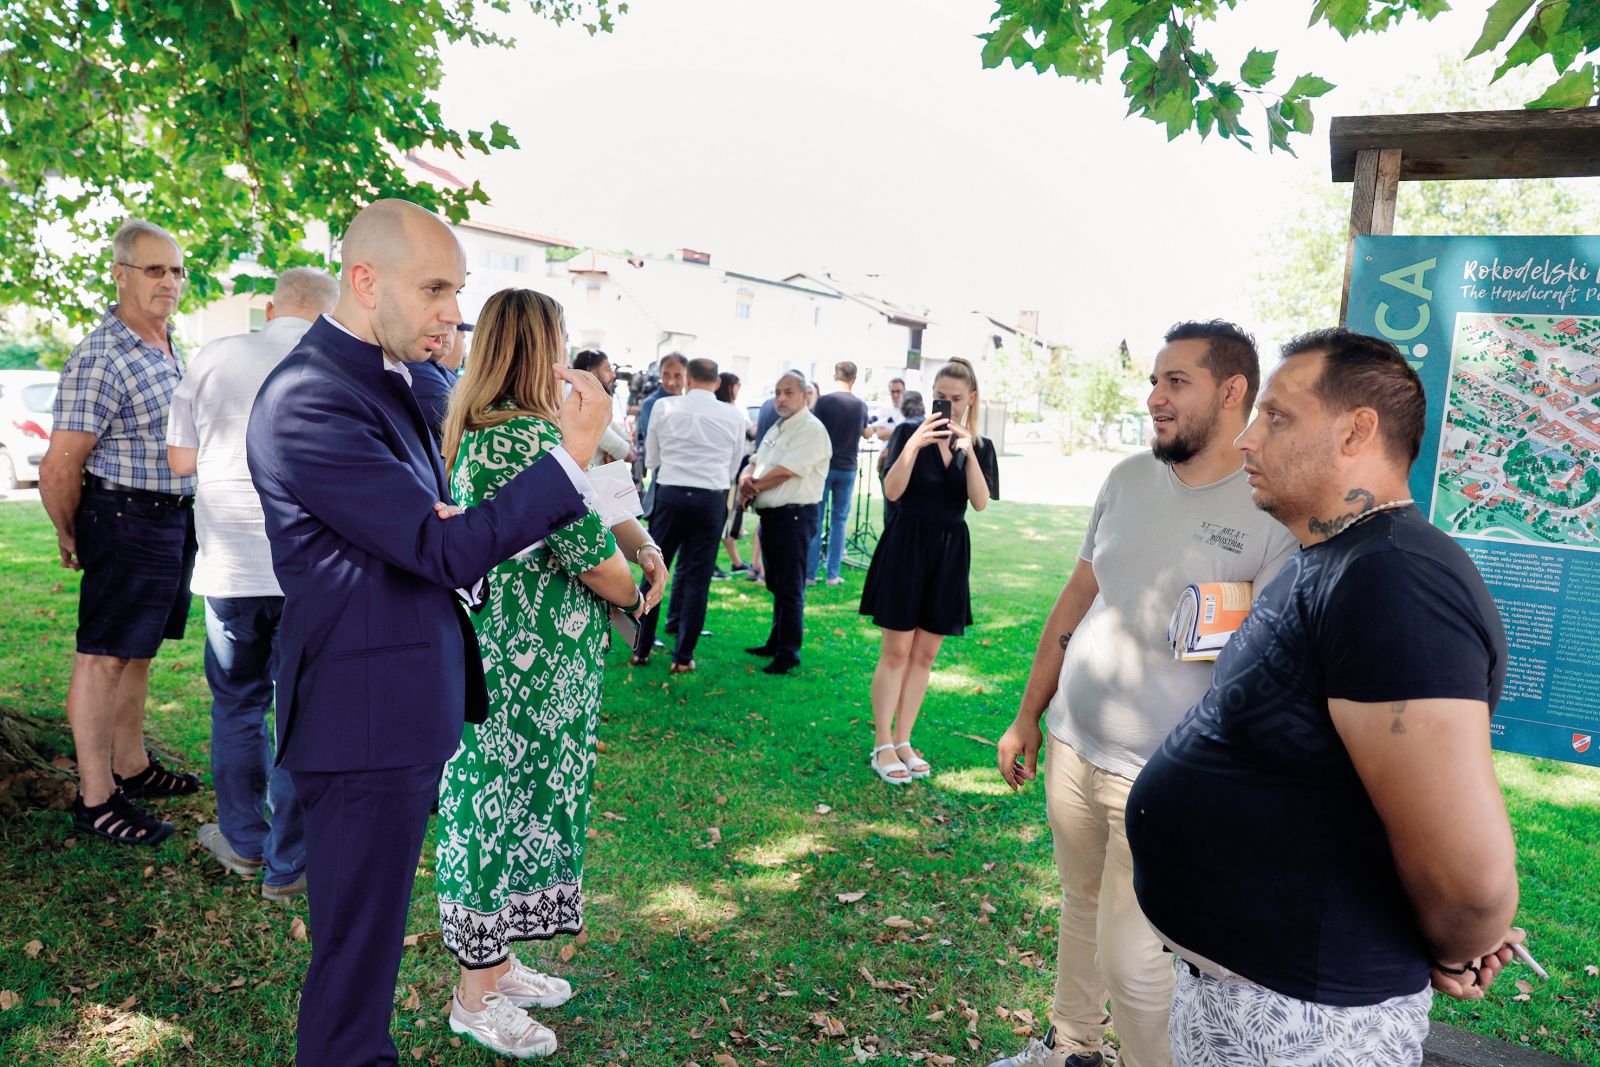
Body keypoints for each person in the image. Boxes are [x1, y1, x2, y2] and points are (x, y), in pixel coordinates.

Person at [245, 198, 615, 1067]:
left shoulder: (387, 375)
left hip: (395, 709)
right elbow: (439, 544)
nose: (455, 310)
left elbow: (426, 524)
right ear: (365, 281)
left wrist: (446, 529)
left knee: (363, 952)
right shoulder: (311, 396)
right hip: (359, 716)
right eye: (436, 288)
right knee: (354, 961)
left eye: (459, 288)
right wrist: (569, 459)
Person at [1127, 328, 1520, 1066]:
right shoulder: (1339, 556)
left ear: (1357, 429)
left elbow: (1471, 881)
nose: (1247, 440)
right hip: (1251, 998)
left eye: (1275, 417)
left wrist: (1460, 945)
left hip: (1306, 1026)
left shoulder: (1397, 583)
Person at [990, 321, 1298, 1067]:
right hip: (1072, 742)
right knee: (1080, 906)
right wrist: (1029, 714)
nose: (1154, 396)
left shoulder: (1269, 507)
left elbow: (1267, 661)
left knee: (1136, 959)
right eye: (1154, 380)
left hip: (1163, 776)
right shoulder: (1126, 478)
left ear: (1232, 391)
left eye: (1175, 381)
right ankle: (1071, 1047)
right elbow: (1076, 598)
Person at [434, 288, 663, 1057]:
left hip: (523, 661)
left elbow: (601, 507)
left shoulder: (479, 429)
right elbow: (593, 556)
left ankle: (495, 964)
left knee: (513, 803)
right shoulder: (526, 442)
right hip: (523, 671)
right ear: (540, 348)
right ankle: (475, 994)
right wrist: (635, 588)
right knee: (496, 810)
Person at [166, 266, 339, 900]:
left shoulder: (215, 355)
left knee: (239, 705)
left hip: (231, 567)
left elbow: (181, 459)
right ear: (331, 310)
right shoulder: (335, 360)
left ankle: (242, 840)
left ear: (270, 308)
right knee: (301, 712)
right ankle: (287, 864)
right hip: (308, 570)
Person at [39, 218, 202, 846]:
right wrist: (71, 533)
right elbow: (59, 467)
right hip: (122, 518)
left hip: (167, 519)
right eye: (154, 269)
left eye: (177, 270)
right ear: (120, 274)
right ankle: (96, 796)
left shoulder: (162, 343)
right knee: (103, 657)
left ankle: (132, 766)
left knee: (137, 652)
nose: (169, 281)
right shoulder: (102, 354)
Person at [858, 358, 997, 785]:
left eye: (957, 399)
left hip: (950, 553)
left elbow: (980, 502)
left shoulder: (981, 446)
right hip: (906, 546)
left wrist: (969, 451)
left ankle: (904, 739)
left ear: (971, 399)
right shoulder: (906, 433)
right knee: (896, 651)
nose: (949, 405)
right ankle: (882, 742)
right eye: (942, 396)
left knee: (926, 655)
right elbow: (893, 490)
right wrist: (915, 443)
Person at [635, 357, 747, 672]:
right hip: (710, 497)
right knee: (698, 579)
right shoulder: (733, 415)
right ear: (716, 383)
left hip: (670, 492)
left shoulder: (664, 407)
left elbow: (653, 458)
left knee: (653, 571)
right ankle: (683, 657)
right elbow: (733, 466)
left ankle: (640, 649)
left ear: (688, 380)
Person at [737, 370, 831, 674]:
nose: (781, 398)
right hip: (774, 516)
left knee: (790, 586)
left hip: (794, 515)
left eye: (789, 392)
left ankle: (788, 652)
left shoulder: (811, 428)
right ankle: (776, 641)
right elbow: (755, 461)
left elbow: (786, 470)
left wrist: (753, 485)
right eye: (778, 391)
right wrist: (745, 479)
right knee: (777, 583)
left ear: (805, 396)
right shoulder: (780, 426)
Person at [807, 360, 870, 585]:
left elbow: (813, 429)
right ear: (854, 378)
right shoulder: (861, 406)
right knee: (839, 522)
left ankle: (810, 574)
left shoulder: (824, 402)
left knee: (816, 518)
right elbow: (866, 431)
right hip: (848, 467)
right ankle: (832, 574)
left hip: (824, 466)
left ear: (836, 375)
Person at [716, 372, 754, 575]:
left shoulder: (722, 410)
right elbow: (747, 438)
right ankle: (735, 562)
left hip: (726, 474)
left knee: (727, 520)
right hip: (730, 475)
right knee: (728, 520)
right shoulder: (732, 413)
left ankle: (736, 561)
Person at [573, 348, 633, 467]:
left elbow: (628, 445)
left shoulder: (597, 408)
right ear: (592, 374)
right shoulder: (584, 409)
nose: (614, 375)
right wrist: (616, 455)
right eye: (608, 369)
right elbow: (628, 454)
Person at [411, 321, 468, 444]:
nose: (446, 331)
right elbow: (461, 429)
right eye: (441, 322)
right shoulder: (417, 367)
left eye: (452, 324)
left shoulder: (442, 370)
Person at [634, 351, 686, 454]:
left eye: (677, 376)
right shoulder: (650, 405)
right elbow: (653, 445)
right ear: (660, 374)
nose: (671, 382)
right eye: (666, 375)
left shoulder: (689, 404)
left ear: (686, 376)